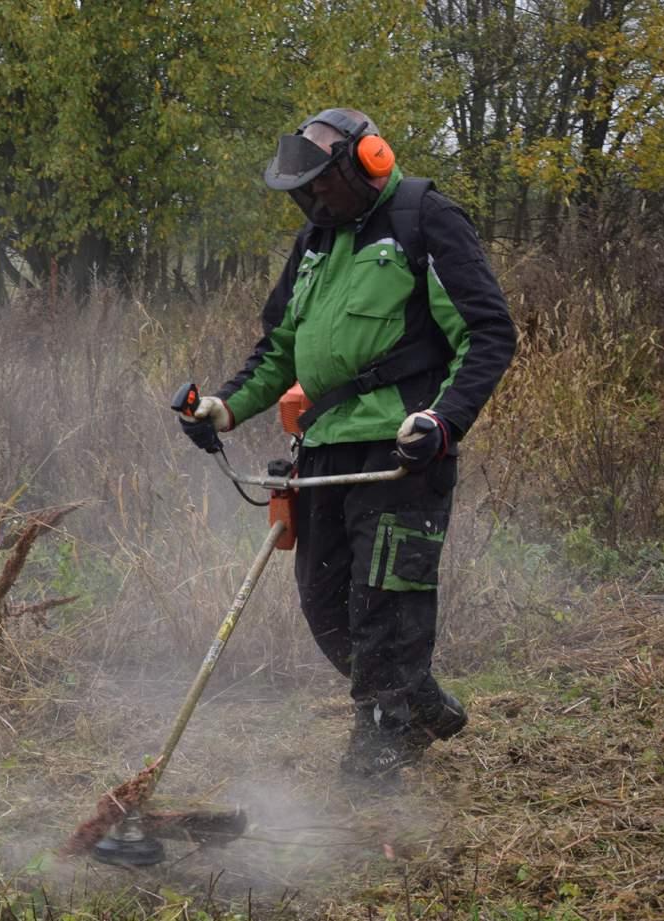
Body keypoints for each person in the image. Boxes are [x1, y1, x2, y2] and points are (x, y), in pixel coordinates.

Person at [181, 107, 516, 778]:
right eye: (302, 191)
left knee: (384, 597)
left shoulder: (424, 218)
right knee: (324, 598)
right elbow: (278, 348)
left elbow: (488, 334)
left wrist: (442, 421)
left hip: (401, 449)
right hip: (323, 445)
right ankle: (412, 695)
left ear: (370, 162)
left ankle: (378, 758)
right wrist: (224, 407)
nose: (312, 200)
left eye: (321, 185)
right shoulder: (315, 240)